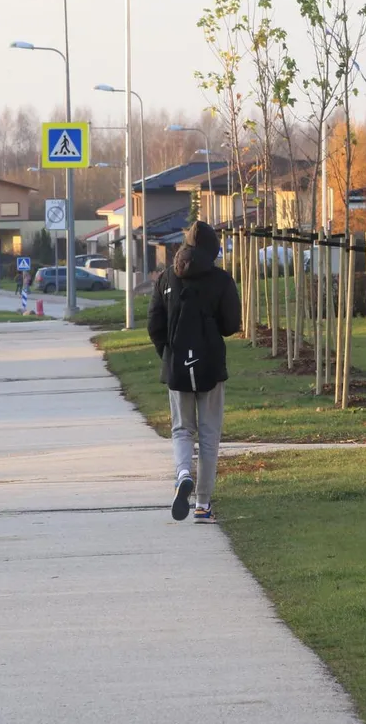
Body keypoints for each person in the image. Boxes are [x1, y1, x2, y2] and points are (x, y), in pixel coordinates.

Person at [147, 221, 241, 522]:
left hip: (177, 368)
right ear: (212, 251)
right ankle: (202, 504)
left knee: (181, 429)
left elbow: (154, 323)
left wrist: (169, 355)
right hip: (210, 367)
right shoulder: (221, 280)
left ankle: (183, 472)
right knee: (209, 435)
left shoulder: (167, 277)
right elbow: (231, 326)